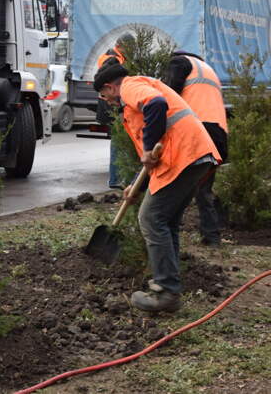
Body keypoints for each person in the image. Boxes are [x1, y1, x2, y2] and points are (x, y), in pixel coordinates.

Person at [93, 61, 221, 313]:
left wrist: (150, 147)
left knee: (150, 219)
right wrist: (134, 187)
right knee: (166, 221)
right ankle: (169, 285)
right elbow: (147, 159)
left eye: (103, 94)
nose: (105, 100)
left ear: (110, 87)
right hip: (192, 155)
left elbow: (156, 104)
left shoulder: (129, 87)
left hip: (184, 155)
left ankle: (166, 291)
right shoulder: (132, 104)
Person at [164, 50, 227, 246]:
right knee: (203, 187)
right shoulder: (209, 71)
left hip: (198, 131)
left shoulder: (180, 63)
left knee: (175, 182)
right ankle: (212, 236)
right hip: (219, 135)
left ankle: (167, 227)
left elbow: (168, 95)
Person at [96, 34, 134, 189]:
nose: (132, 51)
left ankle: (117, 178)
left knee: (118, 141)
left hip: (109, 103)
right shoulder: (113, 59)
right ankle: (116, 179)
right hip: (110, 105)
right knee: (119, 140)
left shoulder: (114, 56)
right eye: (131, 47)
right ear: (122, 45)